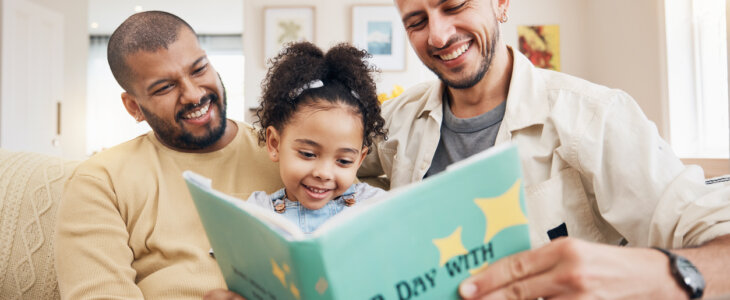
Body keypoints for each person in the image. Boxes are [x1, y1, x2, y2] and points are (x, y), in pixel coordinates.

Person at [354, 0, 730, 299]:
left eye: (454, 6)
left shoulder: (595, 115)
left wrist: (658, 276)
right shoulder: (394, 119)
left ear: (500, 3)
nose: (438, 35)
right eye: (417, 22)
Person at [54, 11, 282, 299]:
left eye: (199, 69)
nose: (193, 94)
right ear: (134, 107)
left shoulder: (289, 158)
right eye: (165, 87)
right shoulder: (100, 181)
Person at [246, 41, 387, 233]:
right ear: (274, 144)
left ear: (360, 159)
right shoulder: (257, 212)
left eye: (344, 161)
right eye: (308, 154)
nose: (324, 173)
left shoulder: (375, 206)